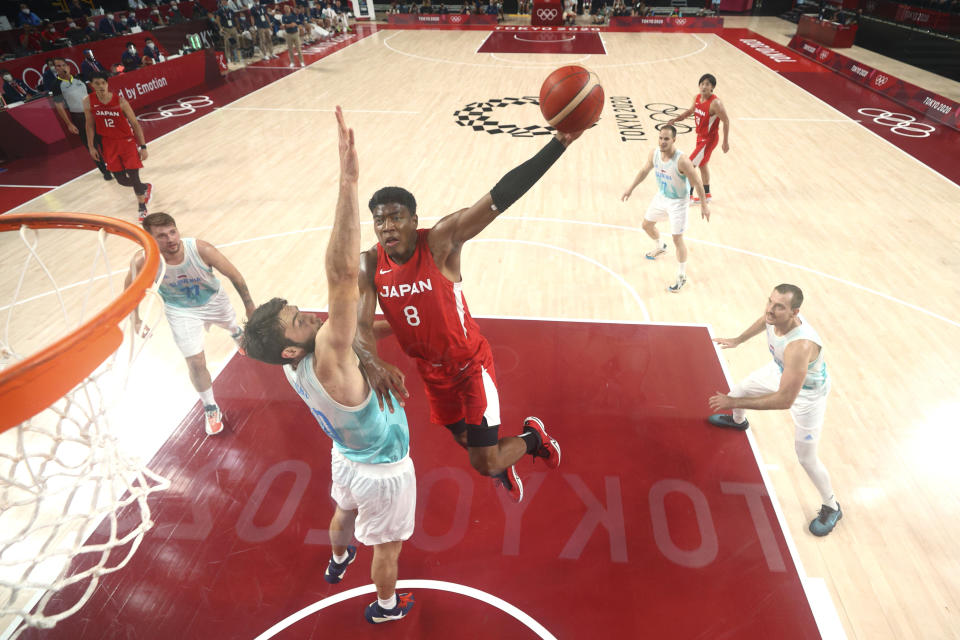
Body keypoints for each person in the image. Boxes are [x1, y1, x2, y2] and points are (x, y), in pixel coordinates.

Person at [241, 108, 416, 625]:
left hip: (344, 456)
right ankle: (386, 606)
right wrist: (348, 180)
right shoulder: (328, 354)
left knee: (343, 513)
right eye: (298, 321)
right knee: (388, 547)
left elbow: (262, 339)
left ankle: (339, 558)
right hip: (384, 471)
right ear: (295, 349)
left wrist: (368, 354)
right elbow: (342, 276)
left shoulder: (287, 363)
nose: (309, 316)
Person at [354, 132, 579, 504]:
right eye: (380, 221)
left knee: (485, 460)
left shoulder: (441, 241)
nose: (387, 227)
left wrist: (559, 143)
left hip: (470, 364)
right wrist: (371, 361)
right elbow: (361, 329)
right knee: (464, 438)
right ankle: (503, 454)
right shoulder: (369, 263)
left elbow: (498, 198)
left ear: (414, 220)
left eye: (396, 218)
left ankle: (533, 438)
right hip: (432, 372)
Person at [707, 284, 842, 537]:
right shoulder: (774, 317)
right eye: (770, 301)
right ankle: (738, 423)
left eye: (779, 306)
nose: (770, 309)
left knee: (806, 458)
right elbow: (765, 321)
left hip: (808, 397)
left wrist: (732, 403)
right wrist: (737, 340)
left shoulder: (800, 346)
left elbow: (784, 400)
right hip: (782, 371)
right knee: (739, 391)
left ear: (794, 312)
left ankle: (831, 506)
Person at [128, 213, 255, 436]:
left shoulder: (200, 249)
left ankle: (235, 333)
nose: (170, 239)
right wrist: (136, 319)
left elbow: (235, 276)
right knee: (195, 361)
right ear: (150, 239)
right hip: (181, 311)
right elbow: (130, 292)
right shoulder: (144, 261)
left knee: (231, 324)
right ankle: (210, 406)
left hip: (214, 300)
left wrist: (250, 306)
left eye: (173, 232)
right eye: (161, 236)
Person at [621, 124, 709, 293]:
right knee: (646, 225)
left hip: (679, 202)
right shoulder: (654, 154)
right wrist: (630, 188)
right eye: (661, 138)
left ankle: (682, 276)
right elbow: (643, 171)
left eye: (666, 139)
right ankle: (661, 246)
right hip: (662, 197)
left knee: (678, 239)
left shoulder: (682, 160)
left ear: (674, 140)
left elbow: (697, 183)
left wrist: (704, 205)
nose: (662, 142)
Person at [83, 71, 153, 218]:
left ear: (107, 84)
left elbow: (135, 123)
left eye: (103, 83)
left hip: (126, 142)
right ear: (91, 85)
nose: (101, 86)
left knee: (134, 176)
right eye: (97, 83)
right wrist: (91, 146)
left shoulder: (120, 101)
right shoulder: (88, 101)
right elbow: (89, 125)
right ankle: (144, 187)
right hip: (107, 144)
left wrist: (143, 146)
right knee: (121, 180)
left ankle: (142, 207)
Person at [666, 73, 730, 203]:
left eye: (707, 84)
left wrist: (725, 142)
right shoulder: (697, 98)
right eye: (702, 84)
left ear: (712, 87)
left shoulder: (715, 103)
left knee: (688, 166)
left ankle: (688, 196)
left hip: (709, 140)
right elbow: (690, 112)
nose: (704, 86)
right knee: (703, 165)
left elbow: (726, 121)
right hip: (700, 137)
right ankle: (707, 195)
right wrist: (676, 119)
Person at [49, 58, 112, 181]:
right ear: (55, 69)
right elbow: (59, 106)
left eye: (63, 65)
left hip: (94, 113)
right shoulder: (56, 85)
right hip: (79, 117)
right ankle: (105, 171)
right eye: (58, 66)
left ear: (68, 66)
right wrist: (69, 123)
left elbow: (92, 95)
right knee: (91, 145)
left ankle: (113, 165)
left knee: (104, 141)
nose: (62, 68)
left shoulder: (80, 78)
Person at [216, 0, 241, 64]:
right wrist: (220, 28)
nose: (225, 3)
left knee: (235, 42)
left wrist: (237, 26)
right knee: (227, 43)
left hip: (232, 28)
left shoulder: (231, 10)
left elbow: (235, 18)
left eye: (225, 2)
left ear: (227, 2)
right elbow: (217, 20)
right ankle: (228, 58)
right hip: (225, 29)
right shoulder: (219, 11)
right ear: (221, 3)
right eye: (223, 2)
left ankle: (237, 57)